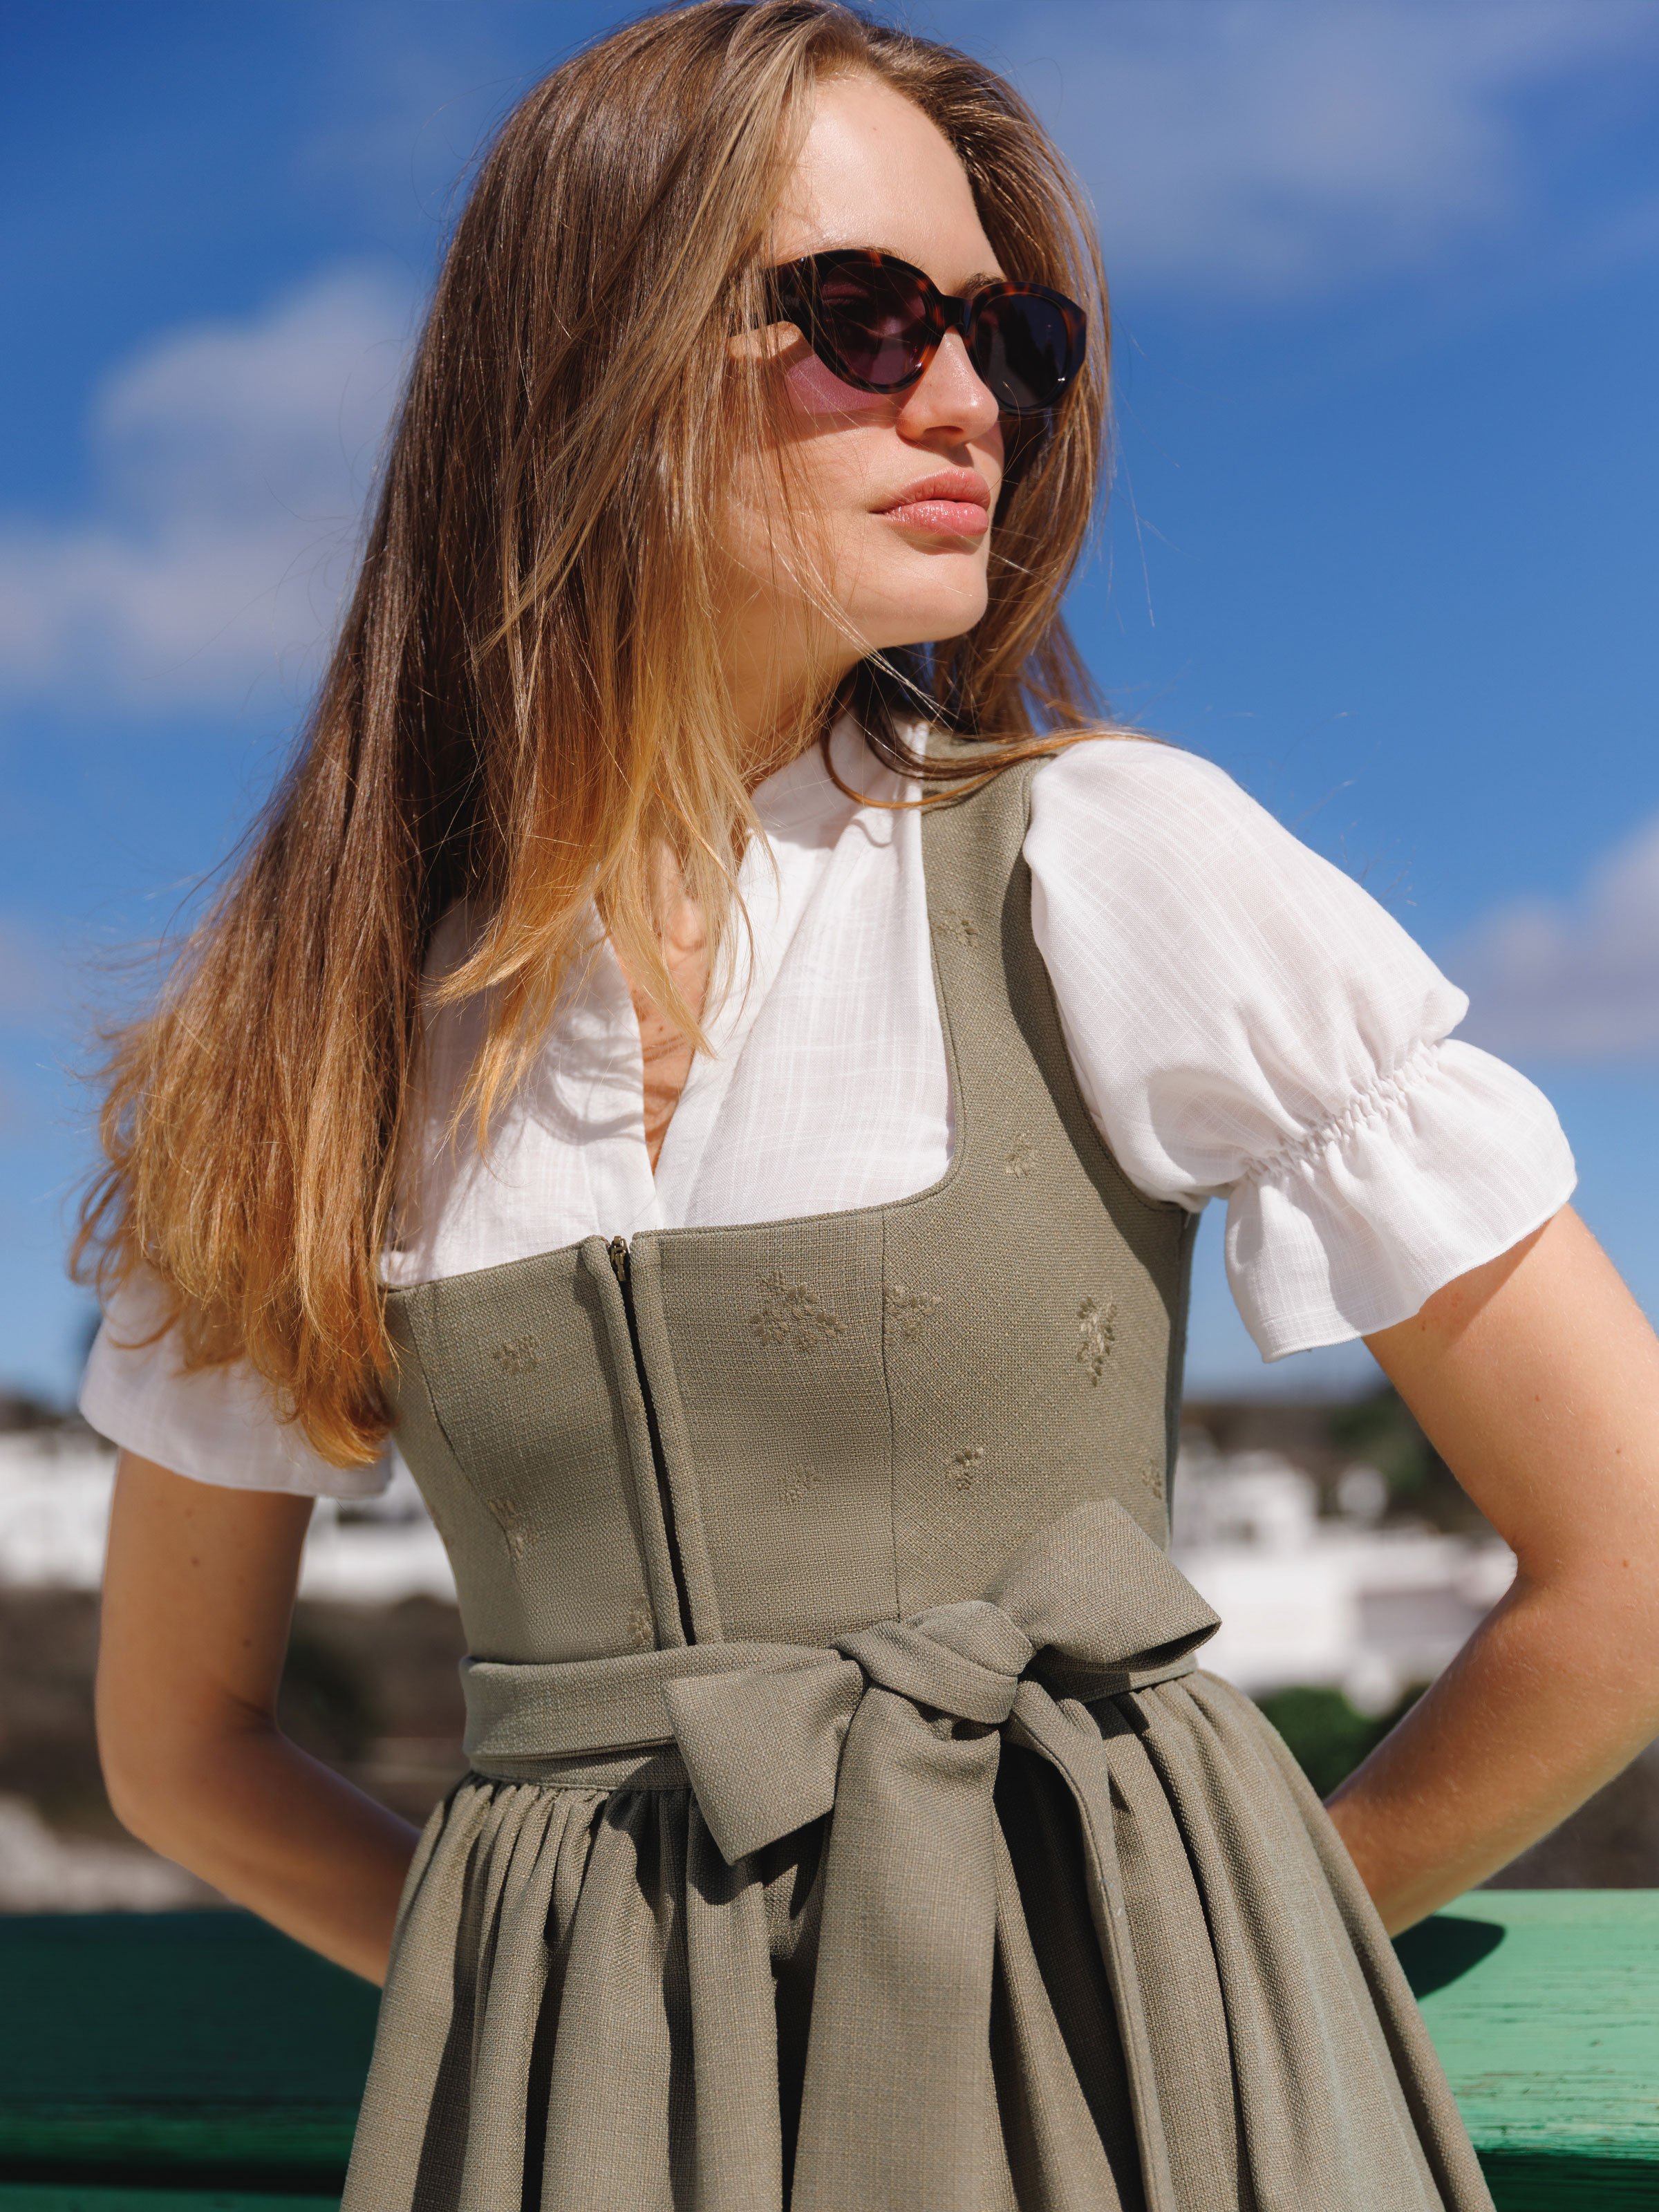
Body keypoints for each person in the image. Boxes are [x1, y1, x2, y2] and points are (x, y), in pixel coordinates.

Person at [79, 5, 1659, 2208]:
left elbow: (1635, 1559)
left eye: (1013, 342)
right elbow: (180, 1750)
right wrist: (545, 2020)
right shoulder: (312, 1039)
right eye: (864, 317)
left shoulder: (1112, 862)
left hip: (1139, 2118)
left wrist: (1233, 1941)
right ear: (590, 360)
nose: (963, 405)